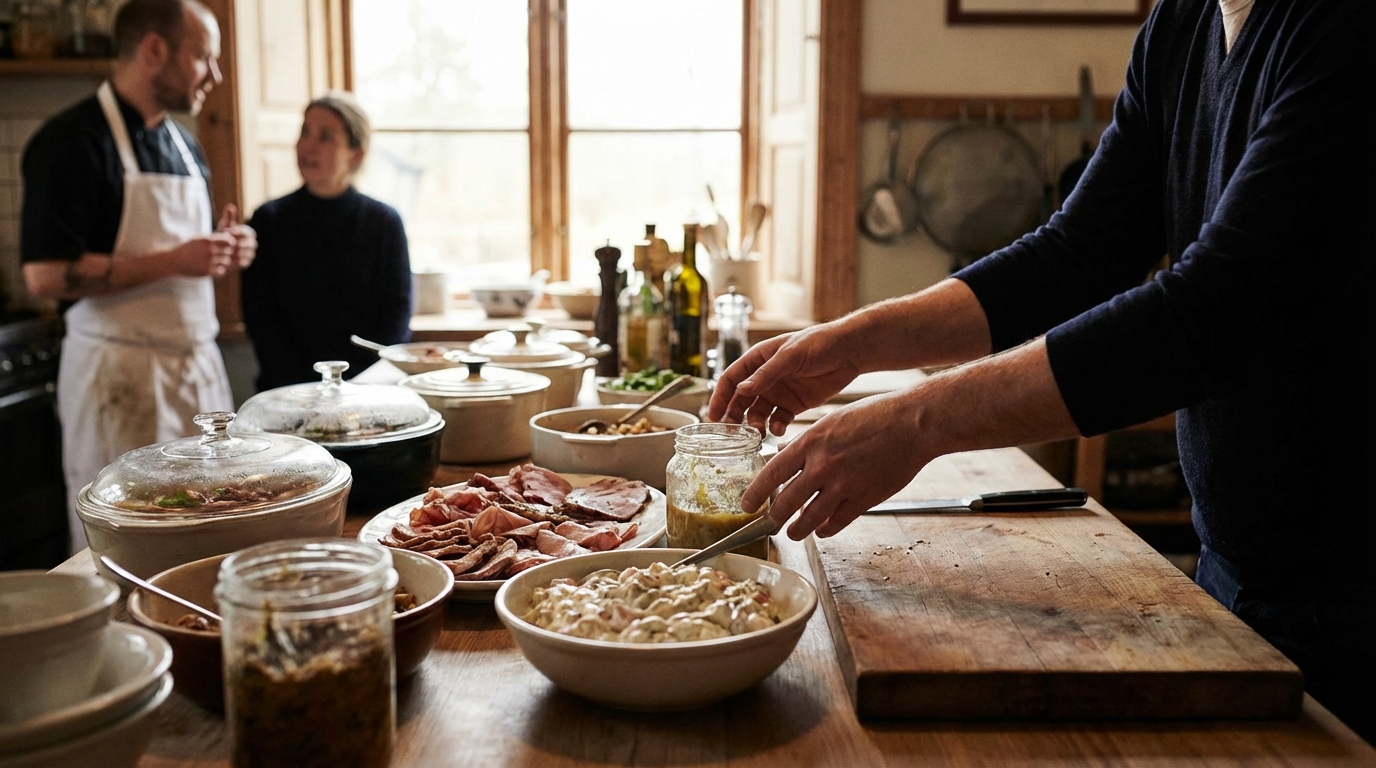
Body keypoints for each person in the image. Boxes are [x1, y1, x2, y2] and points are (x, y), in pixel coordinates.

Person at [710, 0, 1375, 742]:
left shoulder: (1347, 26)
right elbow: (1081, 251)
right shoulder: (1183, 22)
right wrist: (853, 342)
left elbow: (1214, 313)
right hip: (1237, 563)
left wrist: (918, 420)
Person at [20, 0, 255, 552]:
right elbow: (45, 277)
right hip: (117, 375)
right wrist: (175, 260)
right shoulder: (72, 143)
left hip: (196, 370)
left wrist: (227, 250)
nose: (215, 76)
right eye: (204, 58)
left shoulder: (184, 145)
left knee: (213, 528)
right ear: (155, 50)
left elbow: (191, 258)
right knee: (125, 540)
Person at [239, 91, 413, 391]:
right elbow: (260, 316)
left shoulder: (384, 223)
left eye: (325, 136)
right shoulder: (268, 219)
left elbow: (394, 318)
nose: (308, 145)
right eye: (305, 132)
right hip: (286, 390)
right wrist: (305, 387)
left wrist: (350, 385)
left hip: (367, 391)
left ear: (355, 154)